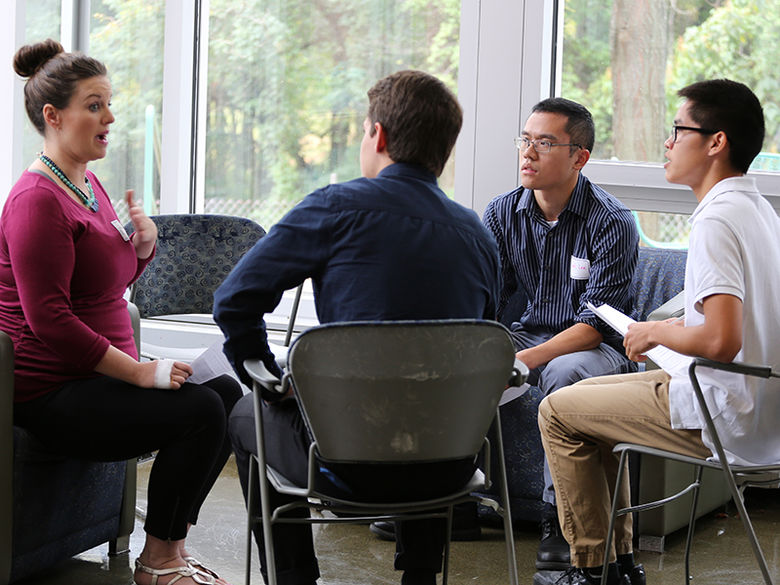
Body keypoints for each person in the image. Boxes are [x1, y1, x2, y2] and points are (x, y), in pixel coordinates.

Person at [213, 69, 500, 585]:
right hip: (449, 466)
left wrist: (271, 382)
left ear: (379, 136)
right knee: (429, 403)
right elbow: (477, 348)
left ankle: (295, 576)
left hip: (343, 465)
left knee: (245, 412)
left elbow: (233, 300)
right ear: (445, 150)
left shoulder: (334, 208)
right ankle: (420, 575)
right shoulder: (477, 235)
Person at [4, 40, 242, 585]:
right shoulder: (36, 200)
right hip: (53, 390)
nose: (109, 117)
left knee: (226, 395)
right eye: (94, 105)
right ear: (53, 116)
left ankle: (169, 551)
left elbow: (104, 287)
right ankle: (158, 565)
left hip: (97, 373)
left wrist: (141, 249)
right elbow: (50, 319)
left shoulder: (84, 182)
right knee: (202, 411)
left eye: (109, 103)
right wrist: (139, 371)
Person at [536, 79, 780, 585]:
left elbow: (720, 341)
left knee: (557, 411)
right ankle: (620, 564)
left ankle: (594, 571)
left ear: (717, 142)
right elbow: (734, 325)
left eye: (678, 130)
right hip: (756, 406)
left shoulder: (715, 218)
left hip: (722, 411)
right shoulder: (759, 211)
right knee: (585, 402)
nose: (668, 143)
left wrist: (654, 334)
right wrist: (672, 325)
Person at [482, 97, 639, 569]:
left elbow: (595, 328)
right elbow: (489, 303)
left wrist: (527, 361)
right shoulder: (502, 214)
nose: (528, 153)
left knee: (565, 373)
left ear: (579, 157)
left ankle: (558, 519)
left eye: (544, 143)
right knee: (461, 357)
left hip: (597, 350)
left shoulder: (611, 221)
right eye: (525, 140)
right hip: (528, 335)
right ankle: (452, 498)